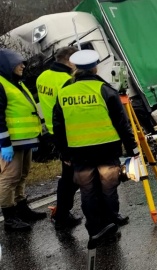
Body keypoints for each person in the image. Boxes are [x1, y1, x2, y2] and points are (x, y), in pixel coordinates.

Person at [52, 49, 139, 247]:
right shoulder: (105, 90)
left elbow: (58, 125)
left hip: (78, 151)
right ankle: (109, 224)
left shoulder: (64, 92)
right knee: (108, 189)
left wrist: (63, 152)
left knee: (88, 191)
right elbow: (121, 123)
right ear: (94, 67)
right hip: (106, 149)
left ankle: (94, 229)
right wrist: (132, 147)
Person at [36, 46, 82, 230]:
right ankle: (62, 215)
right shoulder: (67, 80)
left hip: (54, 132)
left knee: (69, 175)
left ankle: (62, 212)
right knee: (73, 176)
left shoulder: (42, 77)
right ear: (70, 60)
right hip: (69, 132)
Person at [0, 48, 45, 232]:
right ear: (7, 65)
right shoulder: (2, 84)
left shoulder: (16, 82)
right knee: (9, 178)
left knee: (22, 175)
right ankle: (9, 217)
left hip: (24, 140)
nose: (23, 66)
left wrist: (34, 137)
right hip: (11, 142)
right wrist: (4, 144)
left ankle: (21, 207)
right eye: (18, 63)